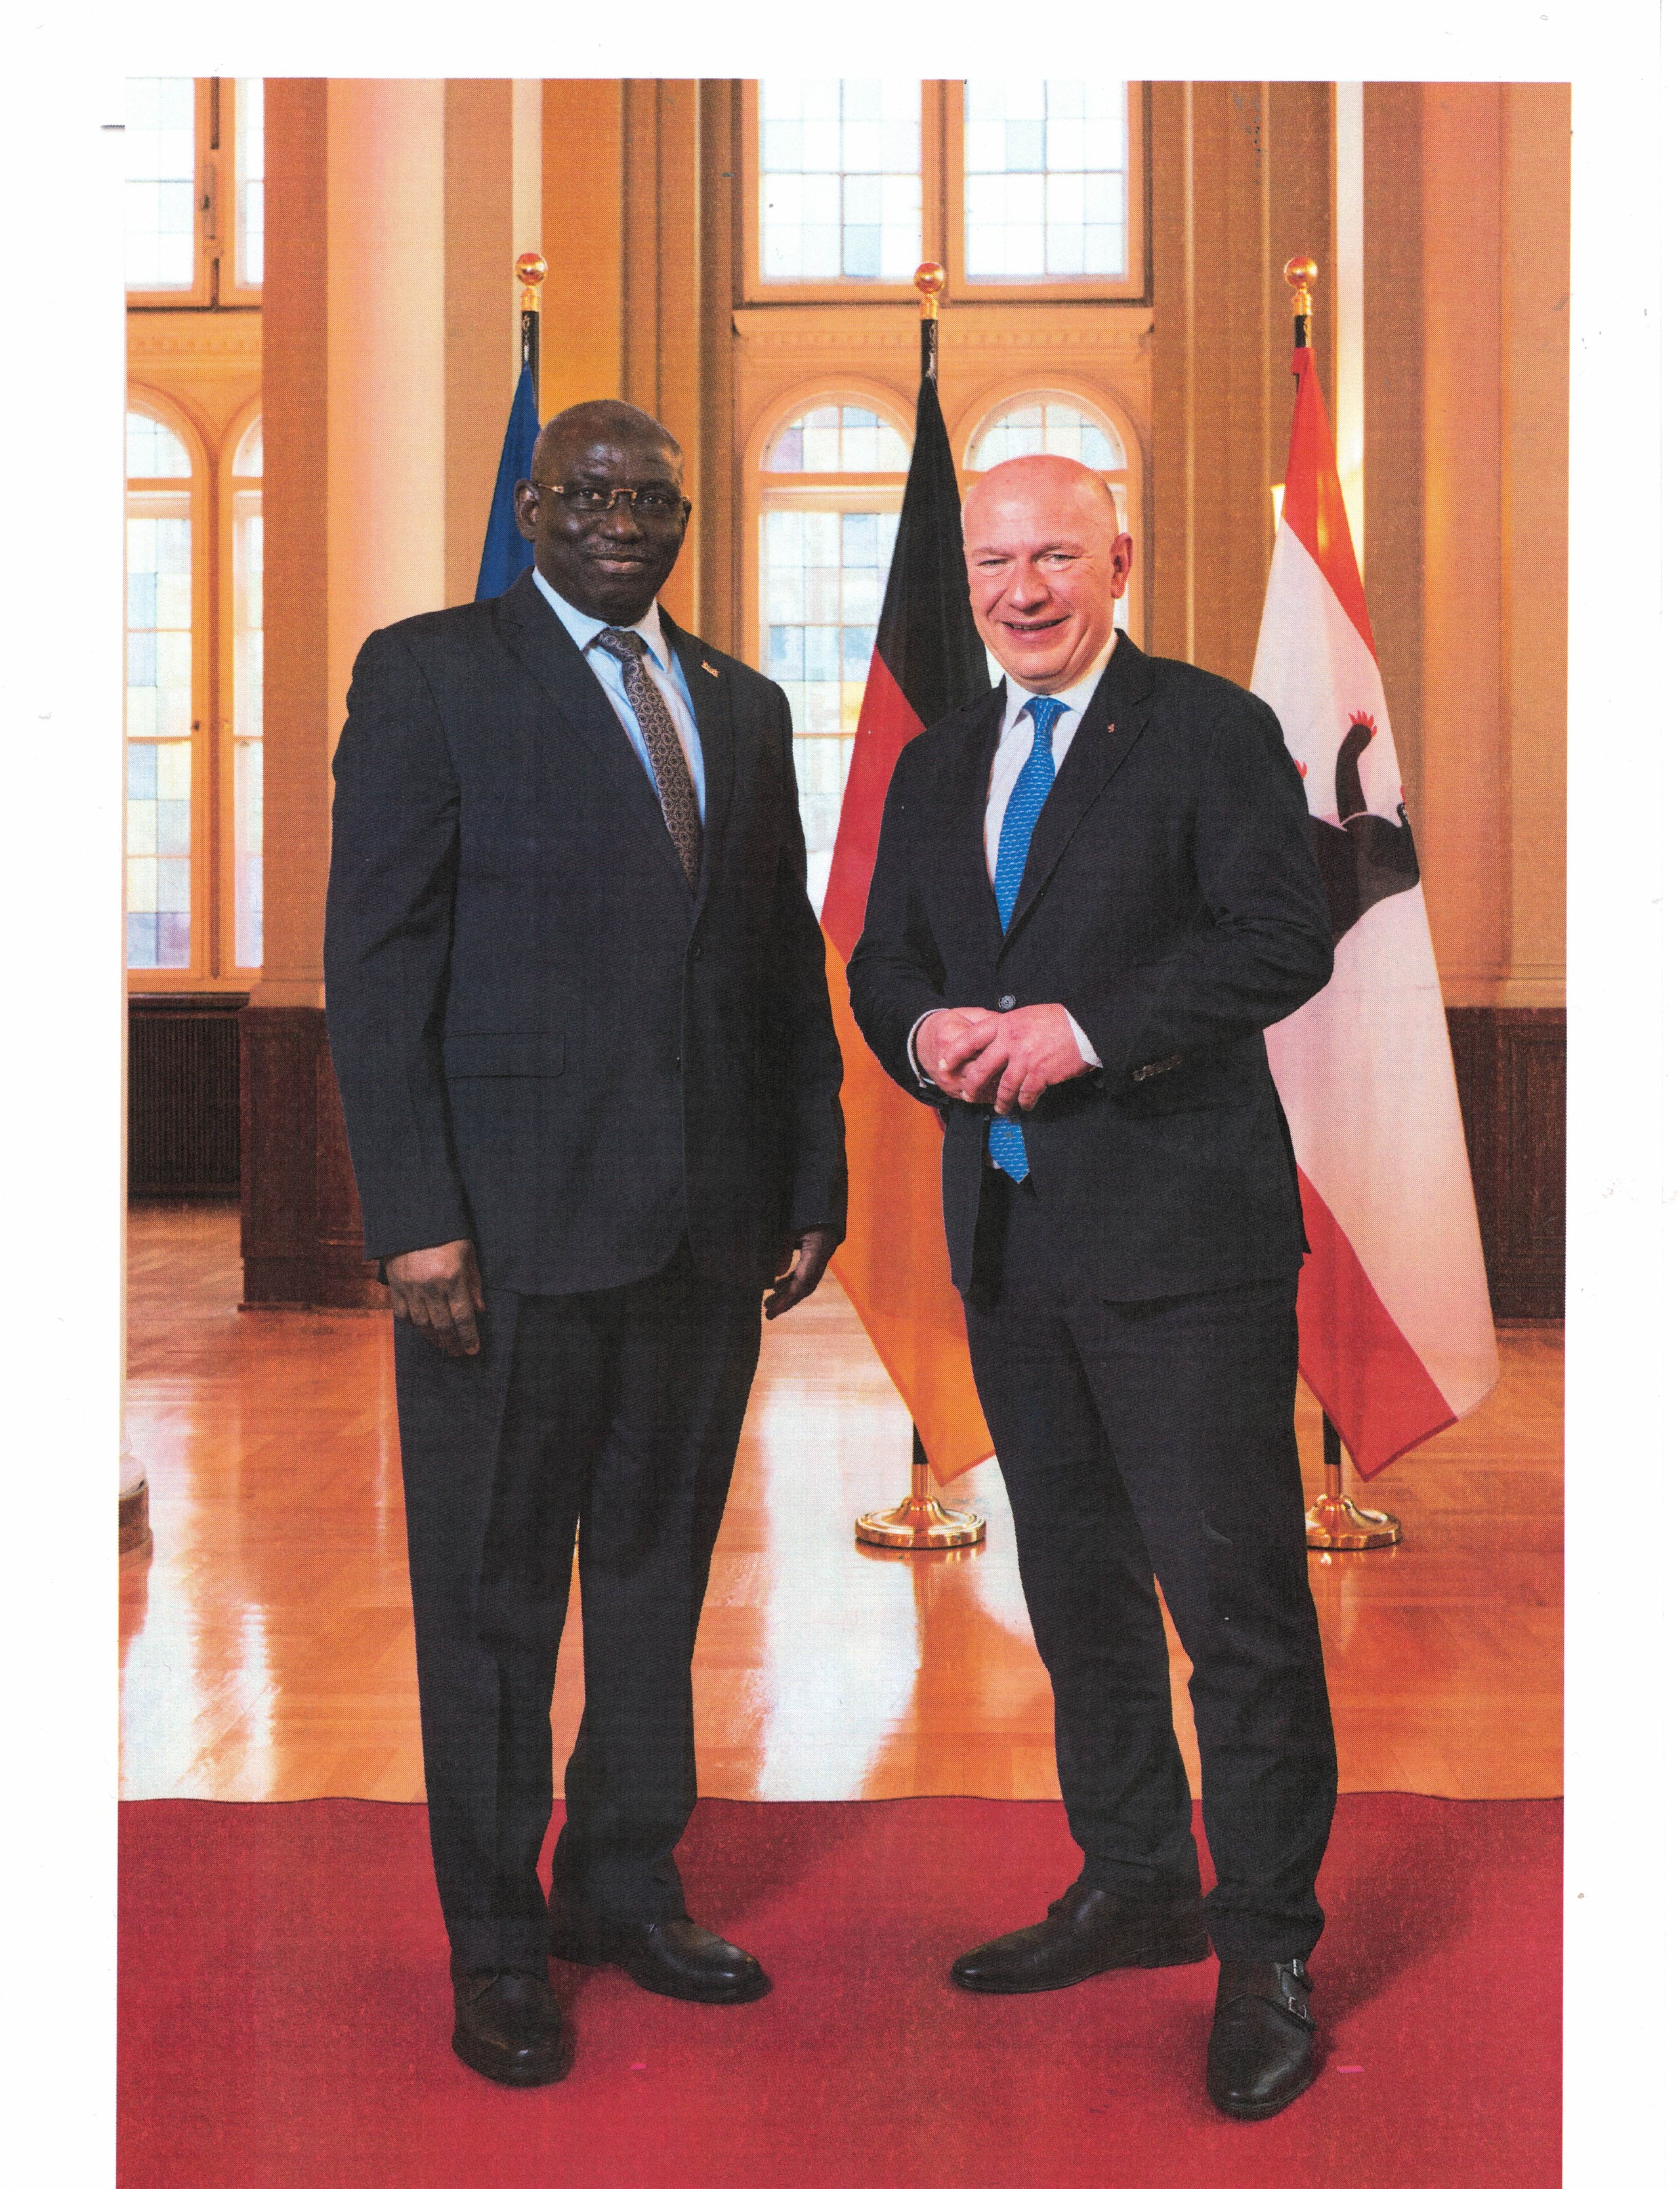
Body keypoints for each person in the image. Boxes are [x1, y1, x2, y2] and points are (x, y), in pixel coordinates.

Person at [324, 398, 846, 2088]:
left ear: (684, 521)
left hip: (701, 1240)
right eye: (591, 494)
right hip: (501, 1246)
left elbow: (774, 963)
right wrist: (414, 1220)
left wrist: (811, 1175)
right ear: (534, 508)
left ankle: (621, 1884)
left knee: (649, 1587)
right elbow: (376, 966)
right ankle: (495, 1946)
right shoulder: (429, 675)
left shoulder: (741, 705)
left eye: (652, 501)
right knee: (490, 1612)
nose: (624, 521)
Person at [847, 454, 1338, 2121]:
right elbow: (884, 960)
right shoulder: (939, 759)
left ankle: (1265, 1950)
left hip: (1183, 1255)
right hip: (1010, 1248)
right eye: (996, 562)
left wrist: (1087, 1031)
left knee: (1234, 1615)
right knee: (1075, 1599)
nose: (1023, 589)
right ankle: (1133, 1880)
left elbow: (1281, 937)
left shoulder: (1205, 730)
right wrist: (923, 1030)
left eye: (1055, 555)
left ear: (1118, 560)